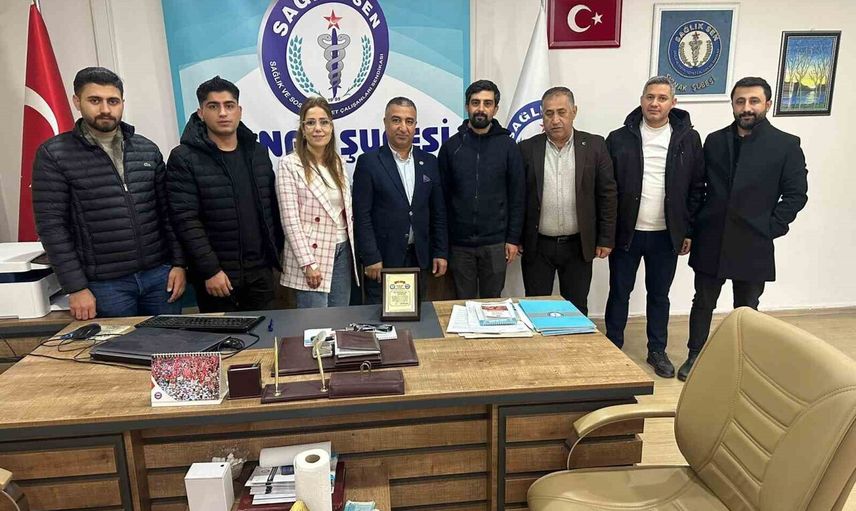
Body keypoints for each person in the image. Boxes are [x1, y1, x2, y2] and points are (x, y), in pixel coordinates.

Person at [679, 76, 808, 380]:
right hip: (712, 237)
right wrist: (694, 227)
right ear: (733, 105)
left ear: (768, 104)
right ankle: (695, 355)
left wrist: (771, 227)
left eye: (754, 101)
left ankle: (743, 364)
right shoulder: (714, 141)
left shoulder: (786, 145)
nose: (746, 107)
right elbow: (699, 187)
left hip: (754, 241)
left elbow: (796, 194)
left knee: (747, 308)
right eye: (740, 101)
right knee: (703, 302)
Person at [32, 67, 185, 320]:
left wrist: (179, 264)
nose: (105, 109)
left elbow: (168, 213)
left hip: (160, 277)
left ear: (122, 102)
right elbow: (52, 226)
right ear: (77, 101)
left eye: (113, 101)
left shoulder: (146, 149)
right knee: (118, 346)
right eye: (95, 100)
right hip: (105, 285)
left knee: (171, 343)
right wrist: (76, 287)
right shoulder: (54, 154)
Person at [603, 77, 705, 378]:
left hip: (666, 235)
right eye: (650, 97)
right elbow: (606, 190)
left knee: (659, 295)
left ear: (673, 103)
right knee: (619, 291)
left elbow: (697, 187)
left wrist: (688, 230)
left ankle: (657, 350)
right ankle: (612, 345)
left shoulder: (688, 138)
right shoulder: (619, 138)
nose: (655, 103)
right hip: (627, 234)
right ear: (641, 100)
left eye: (662, 98)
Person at [167, 76, 282, 312]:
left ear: (239, 111)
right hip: (217, 278)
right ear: (201, 113)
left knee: (268, 333)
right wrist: (210, 270)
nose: (223, 113)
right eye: (213, 106)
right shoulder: (184, 158)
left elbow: (271, 208)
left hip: (261, 273)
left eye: (229, 106)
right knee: (223, 335)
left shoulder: (258, 152)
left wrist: (274, 257)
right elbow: (186, 220)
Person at [518, 86, 617, 315]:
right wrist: (516, 237)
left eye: (561, 112)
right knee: (536, 308)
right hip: (538, 245)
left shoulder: (594, 146)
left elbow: (607, 194)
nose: (555, 120)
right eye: (549, 113)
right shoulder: (527, 148)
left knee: (576, 308)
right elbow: (518, 197)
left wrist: (606, 238)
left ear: (574, 111)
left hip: (578, 245)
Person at [353, 97, 448, 303]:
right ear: (385, 122)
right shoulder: (369, 163)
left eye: (409, 121)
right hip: (382, 261)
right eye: (396, 120)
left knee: (417, 314)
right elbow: (361, 216)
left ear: (415, 125)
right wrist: (371, 256)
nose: (403, 127)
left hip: (419, 257)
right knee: (380, 316)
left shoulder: (429, 161)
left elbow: (438, 212)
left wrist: (441, 252)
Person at [438, 80, 525, 299]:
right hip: (459, 246)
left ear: (495, 108)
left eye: (487, 103)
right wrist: (443, 245)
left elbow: (517, 197)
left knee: (493, 305)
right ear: (467, 106)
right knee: (462, 304)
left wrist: (513, 238)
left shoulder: (508, 147)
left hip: (496, 245)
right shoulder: (451, 148)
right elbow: (441, 200)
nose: (481, 109)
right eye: (475, 102)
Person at [276, 97, 359, 308]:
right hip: (312, 255)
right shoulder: (289, 164)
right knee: (316, 323)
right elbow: (290, 221)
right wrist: (308, 263)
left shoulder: (337, 162)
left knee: (340, 316)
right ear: (303, 129)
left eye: (324, 122)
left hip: (342, 249)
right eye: (311, 123)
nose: (318, 129)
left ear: (331, 127)